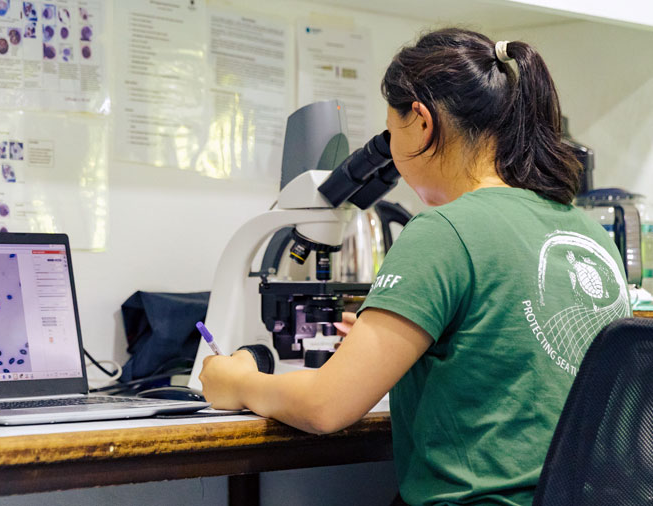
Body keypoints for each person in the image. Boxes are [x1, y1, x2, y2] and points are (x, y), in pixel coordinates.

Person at [199, 28, 631, 506]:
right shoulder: (590, 235)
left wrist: (235, 381)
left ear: (422, 122)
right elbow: (521, 359)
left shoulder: (443, 230)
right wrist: (399, 343)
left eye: (392, 130)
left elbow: (326, 407)